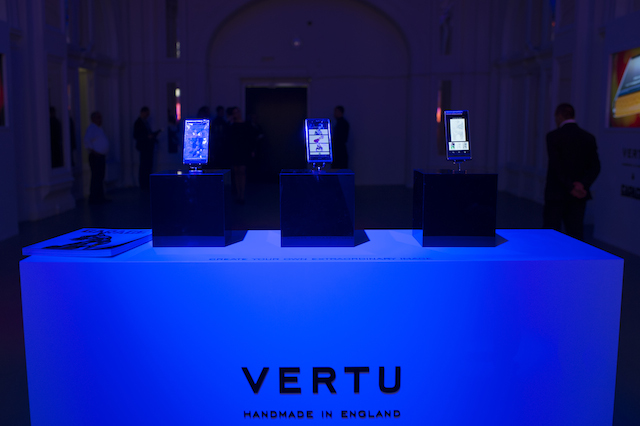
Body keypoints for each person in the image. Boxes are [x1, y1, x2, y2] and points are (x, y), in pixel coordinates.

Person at [543, 103, 600, 240]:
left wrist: (570, 186)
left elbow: (556, 167)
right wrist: (582, 185)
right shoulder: (588, 137)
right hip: (578, 195)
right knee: (575, 235)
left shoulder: (553, 136)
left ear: (559, 116)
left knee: (550, 236)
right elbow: (595, 167)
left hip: (556, 194)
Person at [228, 107, 255, 203]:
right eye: (234, 112)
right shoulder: (232, 125)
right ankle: (238, 193)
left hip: (243, 150)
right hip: (235, 150)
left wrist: (252, 150)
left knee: (242, 171)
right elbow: (229, 138)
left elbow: (250, 138)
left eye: (237, 112)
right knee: (236, 171)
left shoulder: (246, 125)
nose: (236, 114)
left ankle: (242, 194)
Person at [83, 111, 110, 204]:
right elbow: (86, 140)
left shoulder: (99, 128)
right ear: (93, 119)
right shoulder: (92, 128)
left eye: (100, 117)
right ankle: (94, 198)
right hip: (95, 157)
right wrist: (94, 152)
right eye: (98, 117)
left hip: (100, 156)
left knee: (100, 177)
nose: (100, 120)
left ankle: (100, 197)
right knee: (96, 177)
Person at [134, 106, 161, 190]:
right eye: (147, 114)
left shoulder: (145, 122)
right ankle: (144, 184)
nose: (147, 116)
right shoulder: (138, 123)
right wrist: (147, 137)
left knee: (148, 166)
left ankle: (147, 183)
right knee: (144, 166)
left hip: (148, 147)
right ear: (143, 112)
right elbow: (136, 135)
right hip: (144, 147)